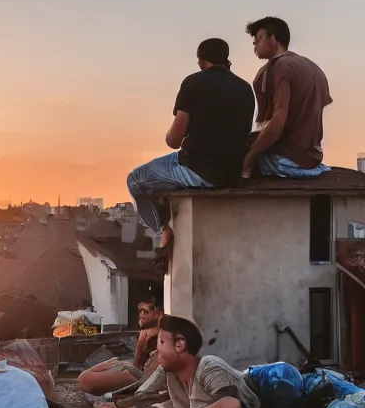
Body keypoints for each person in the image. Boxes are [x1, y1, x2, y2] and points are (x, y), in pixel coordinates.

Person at [127, 38, 255, 247]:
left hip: (198, 170)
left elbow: (174, 141)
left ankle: (163, 229)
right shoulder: (245, 88)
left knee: (136, 180)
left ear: (201, 61)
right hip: (232, 172)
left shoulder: (194, 82)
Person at [132, 314, 261, 408]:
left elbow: (231, 406)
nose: (157, 349)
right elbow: (142, 392)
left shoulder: (208, 366)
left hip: (258, 385)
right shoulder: (170, 370)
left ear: (179, 345)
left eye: (162, 342)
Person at [243, 17, 333, 179]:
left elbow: (277, 120)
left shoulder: (278, 68)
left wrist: (249, 160)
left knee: (221, 161)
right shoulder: (313, 67)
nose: (255, 44)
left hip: (285, 160)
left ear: (273, 38)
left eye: (259, 38)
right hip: (312, 160)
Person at [78, 301, 162, 396]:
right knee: (85, 377)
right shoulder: (147, 331)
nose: (141, 315)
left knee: (84, 379)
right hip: (141, 374)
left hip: (141, 380)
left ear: (157, 314)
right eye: (140, 311)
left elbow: (140, 366)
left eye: (146, 312)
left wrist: (124, 366)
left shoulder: (155, 334)